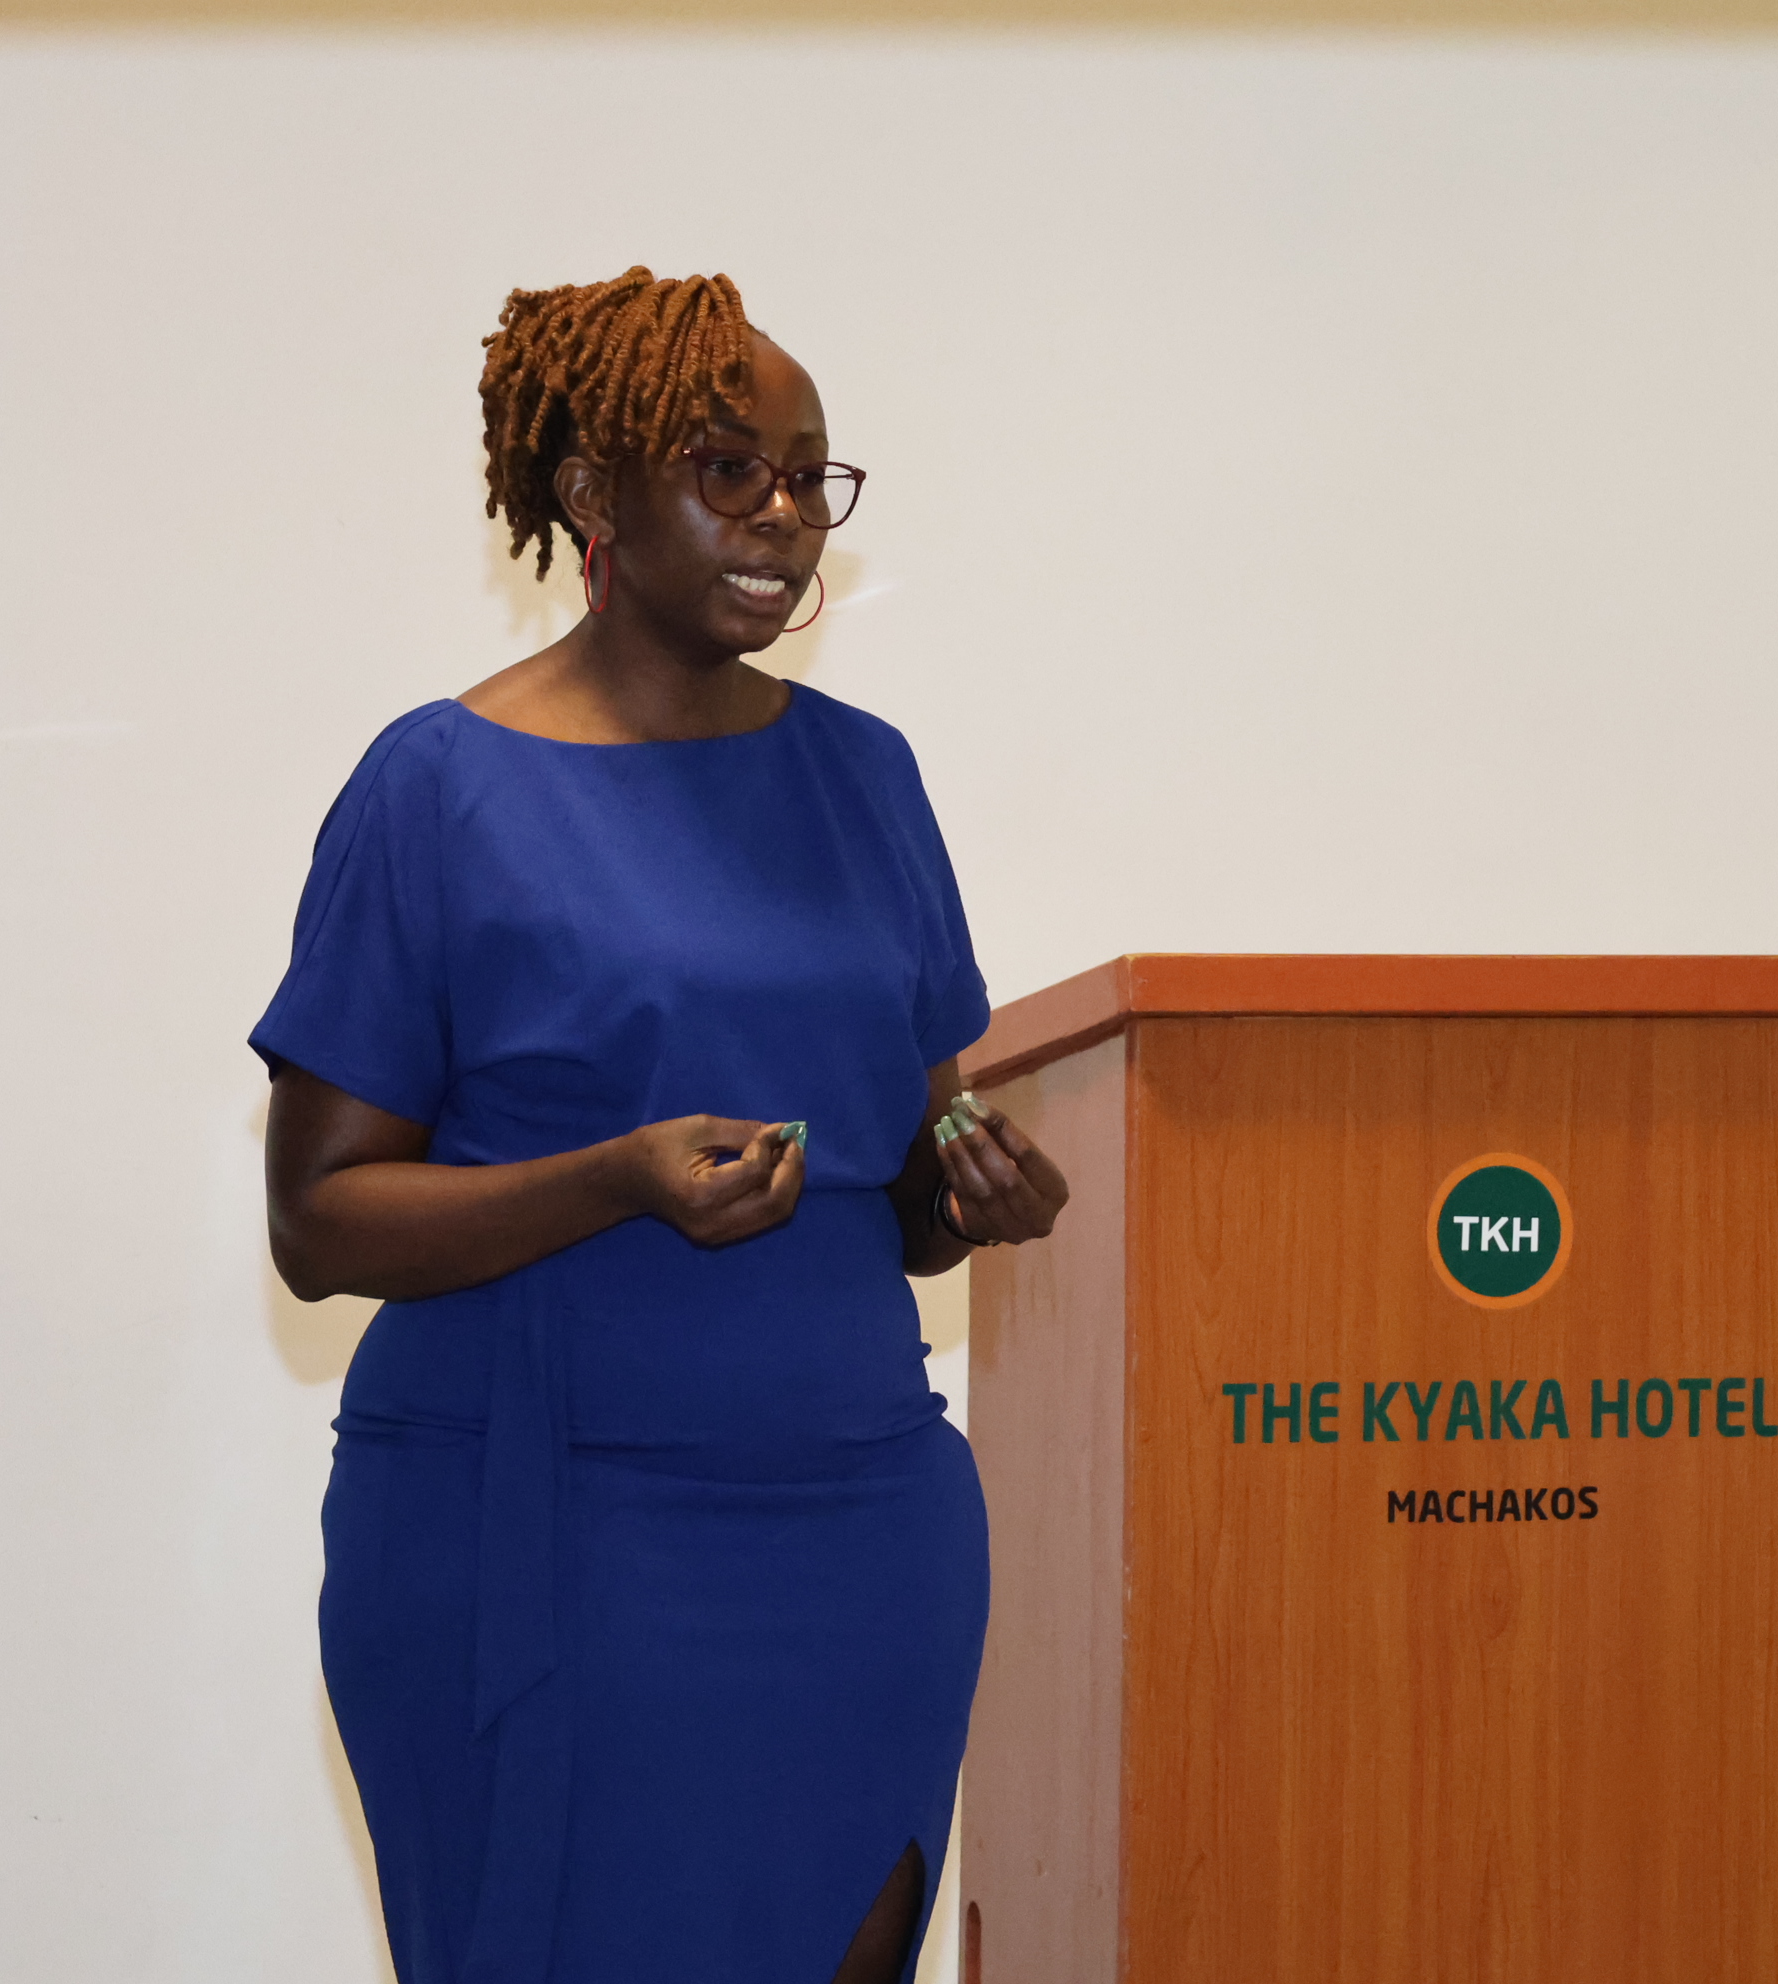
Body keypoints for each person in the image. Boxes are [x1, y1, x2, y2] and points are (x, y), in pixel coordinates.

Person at [251, 267, 1065, 1984]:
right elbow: (318, 1221)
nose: (783, 515)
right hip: (546, 1534)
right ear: (590, 494)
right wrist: (616, 1180)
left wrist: (968, 1188)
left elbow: (901, 1193)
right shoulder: (438, 787)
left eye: (810, 477)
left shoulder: (868, 779)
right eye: (729, 469)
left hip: (861, 1527)